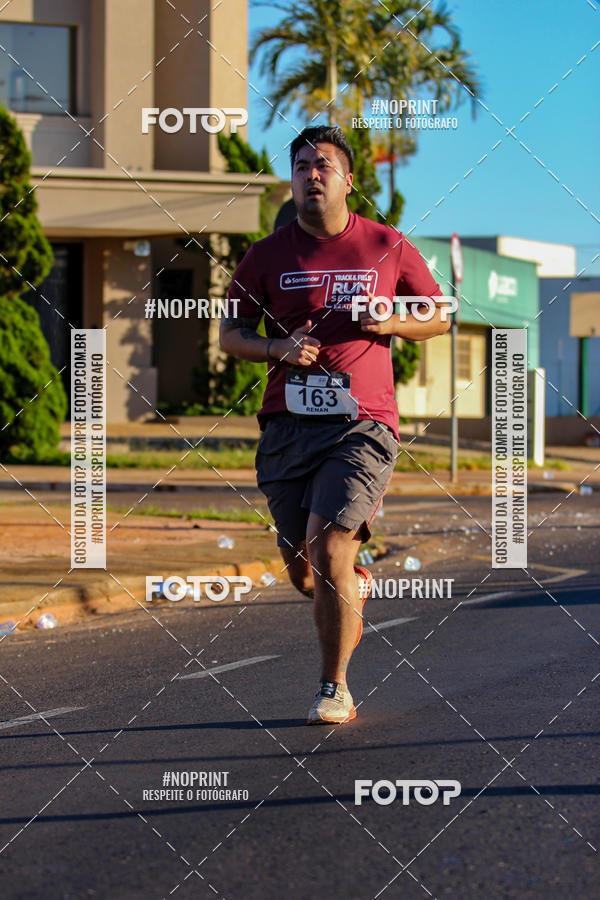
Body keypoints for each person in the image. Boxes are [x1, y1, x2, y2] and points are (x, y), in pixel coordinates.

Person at [220, 125, 449, 725]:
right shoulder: (267, 255)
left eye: (323, 164)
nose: (311, 174)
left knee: (328, 551)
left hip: (362, 425)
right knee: (303, 567)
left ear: (349, 180)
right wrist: (277, 348)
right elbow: (230, 335)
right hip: (287, 428)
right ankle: (348, 579)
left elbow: (439, 313)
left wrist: (393, 324)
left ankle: (333, 686)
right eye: (300, 166)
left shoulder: (386, 243)